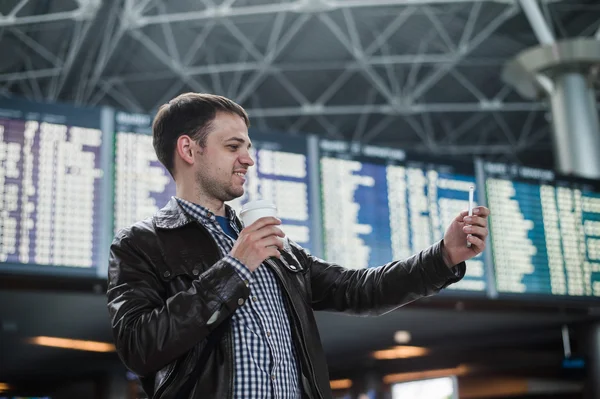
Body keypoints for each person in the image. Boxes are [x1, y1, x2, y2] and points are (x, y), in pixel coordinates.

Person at [106, 92, 490, 399]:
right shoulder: (140, 244)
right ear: (189, 150)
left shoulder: (274, 245)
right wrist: (235, 267)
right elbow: (140, 346)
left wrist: (444, 256)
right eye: (234, 146)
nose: (249, 160)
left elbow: (357, 290)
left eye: (249, 147)